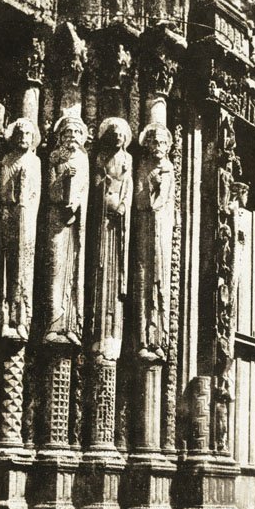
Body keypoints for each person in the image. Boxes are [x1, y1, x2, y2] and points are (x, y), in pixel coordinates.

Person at [44, 115, 89, 345]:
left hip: (75, 220)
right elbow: (50, 191)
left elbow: (84, 188)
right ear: (61, 136)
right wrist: (63, 176)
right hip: (57, 218)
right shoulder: (55, 157)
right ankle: (53, 323)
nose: (72, 136)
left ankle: (71, 325)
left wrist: (77, 203)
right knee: (56, 267)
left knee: (73, 269)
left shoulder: (83, 159)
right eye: (68, 132)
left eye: (76, 132)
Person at [0, 117, 41, 341]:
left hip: (27, 218)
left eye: (27, 134)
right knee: (9, 266)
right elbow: (3, 192)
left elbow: (36, 193)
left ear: (33, 139)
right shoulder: (7, 160)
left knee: (24, 267)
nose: (23, 137)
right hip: (10, 217)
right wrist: (14, 191)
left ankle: (22, 319)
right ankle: (7, 319)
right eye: (20, 133)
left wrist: (26, 201)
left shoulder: (35, 162)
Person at [92, 117, 133, 360]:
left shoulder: (128, 159)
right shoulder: (101, 158)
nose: (117, 137)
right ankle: (99, 338)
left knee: (116, 275)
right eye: (113, 134)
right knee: (101, 269)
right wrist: (103, 184)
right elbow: (96, 183)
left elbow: (128, 187)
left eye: (120, 135)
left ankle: (112, 341)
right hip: (102, 221)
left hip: (118, 225)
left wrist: (123, 206)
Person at [135, 122, 175, 361]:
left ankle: (158, 339)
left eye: (162, 143)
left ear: (168, 146)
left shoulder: (169, 169)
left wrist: (158, 185)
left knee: (159, 282)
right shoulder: (143, 168)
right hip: (146, 229)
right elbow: (140, 202)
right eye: (154, 142)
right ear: (148, 145)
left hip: (162, 231)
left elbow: (163, 203)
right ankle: (143, 339)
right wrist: (150, 183)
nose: (158, 146)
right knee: (144, 279)